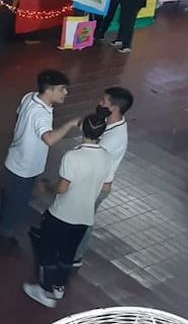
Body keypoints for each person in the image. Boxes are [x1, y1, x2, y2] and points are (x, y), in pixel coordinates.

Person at [0, 70, 80, 250]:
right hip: (25, 167)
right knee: (17, 202)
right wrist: (70, 124)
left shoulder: (30, 97)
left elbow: (19, 113)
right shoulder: (40, 114)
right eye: (62, 89)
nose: (65, 93)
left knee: (6, 192)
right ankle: (6, 233)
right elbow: (49, 139)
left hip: (14, 158)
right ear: (49, 90)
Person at [23, 113, 111, 309]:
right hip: (85, 217)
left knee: (48, 251)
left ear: (82, 129)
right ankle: (59, 286)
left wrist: (47, 188)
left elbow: (63, 188)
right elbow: (105, 187)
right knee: (67, 254)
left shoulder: (73, 156)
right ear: (102, 134)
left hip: (62, 215)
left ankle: (44, 291)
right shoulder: (106, 157)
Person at [73, 87, 133, 265]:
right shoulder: (112, 122)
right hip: (95, 182)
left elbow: (92, 155)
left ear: (114, 108)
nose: (100, 103)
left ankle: (76, 255)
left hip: (96, 185)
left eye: (103, 102)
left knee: (84, 221)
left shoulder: (114, 137)